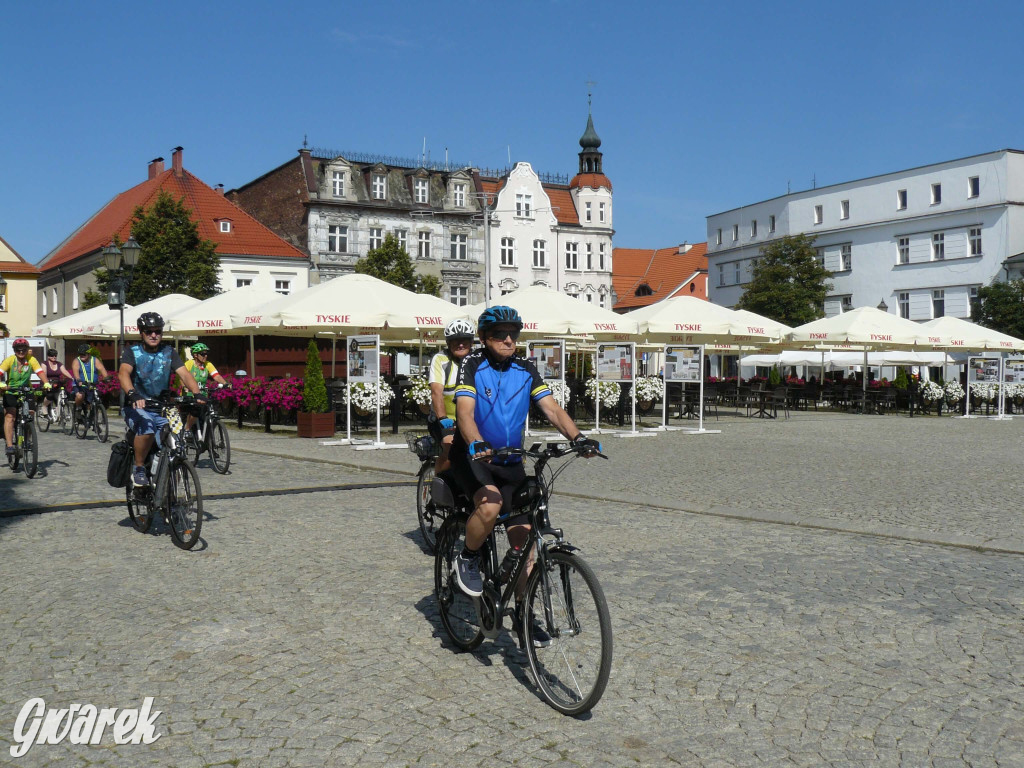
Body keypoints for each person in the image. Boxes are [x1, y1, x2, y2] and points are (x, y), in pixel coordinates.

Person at [449, 305, 601, 646]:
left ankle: (522, 614)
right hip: (474, 456)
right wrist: (475, 442)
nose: (509, 340)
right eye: (502, 334)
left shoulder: (526, 369)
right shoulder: (472, 366)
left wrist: (578, 438)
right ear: (486, 338)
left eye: (514, 334)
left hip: (510, 459)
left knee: (525, 539)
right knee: (490, 506)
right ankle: (468, 558)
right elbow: (465, 413)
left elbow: (551, 409)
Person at [118, 312, 205, 487]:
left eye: (157, 331)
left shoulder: (169, 352)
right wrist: (133, 394)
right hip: (136, 407)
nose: (153, 335)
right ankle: (139, 468)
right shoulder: (132, 352)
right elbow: (123, 373)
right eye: (149, 331)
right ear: (141, 332)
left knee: (177, 446)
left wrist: (197, 394)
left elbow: (185, 374)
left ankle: (170, 497)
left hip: (163, 407)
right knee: (148, 426)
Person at [427, 319, 476, 473]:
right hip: (446, 420)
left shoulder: (477, 360)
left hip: (470, 419)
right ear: (448, 343)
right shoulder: (441, 359)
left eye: (464, 340)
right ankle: (439, 484)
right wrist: (443, 419)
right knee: (450, 449)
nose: (460, 344)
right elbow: (436, 392)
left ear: (471, 342)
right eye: (455, 340)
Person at [0, 339, 50, 456]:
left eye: (24, 349)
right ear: (15, 350)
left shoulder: (31, 359)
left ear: (27, 350)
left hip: (26, 389)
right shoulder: (10, 360)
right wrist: (2, 384)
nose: (21, 352)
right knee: (10, 416)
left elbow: (40, 372)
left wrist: (46, 382)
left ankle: (27, 439)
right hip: (11, 390)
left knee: (30, 414)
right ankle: (10, 445)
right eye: (18, 350)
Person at [181, 342, 228, 434]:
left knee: (211, 408)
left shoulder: (208, 364)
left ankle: (208, 433)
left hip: (202, 394)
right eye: (203, 354)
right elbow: (183, 376)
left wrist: (226, 383)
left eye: (206, 354)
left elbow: (216, 376)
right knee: (195, 411)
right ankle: (187, 429)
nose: (205, 356)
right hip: (189, 394)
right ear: (195, 355)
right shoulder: (189, 364)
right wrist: (185, 387)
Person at [71, 342, 110, 415]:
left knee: (95, 399)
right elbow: (76, 372)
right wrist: (78, 379)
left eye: (84, 354)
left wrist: (106, 378)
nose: (82, 356)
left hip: (92, 385)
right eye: (80, 354)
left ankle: (93, 417)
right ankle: (78, 408)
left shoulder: (94, 360)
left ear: (89, 354)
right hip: (80, 385)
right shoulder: (76, 361)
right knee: (80, 396)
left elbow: (102, 369)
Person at [39, 348, 73, 421]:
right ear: (48, 356)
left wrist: (71, 378)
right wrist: (46, 383)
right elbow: (44, 373)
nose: (54, 357)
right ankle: (44, 407)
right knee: (50, 395)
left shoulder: (59, 364)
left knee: (63, 394)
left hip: (57, 383)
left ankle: (60, 410)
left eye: (55, 356)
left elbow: (64, 371)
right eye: (52, 356)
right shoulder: (45, 363)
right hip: (47, 382)